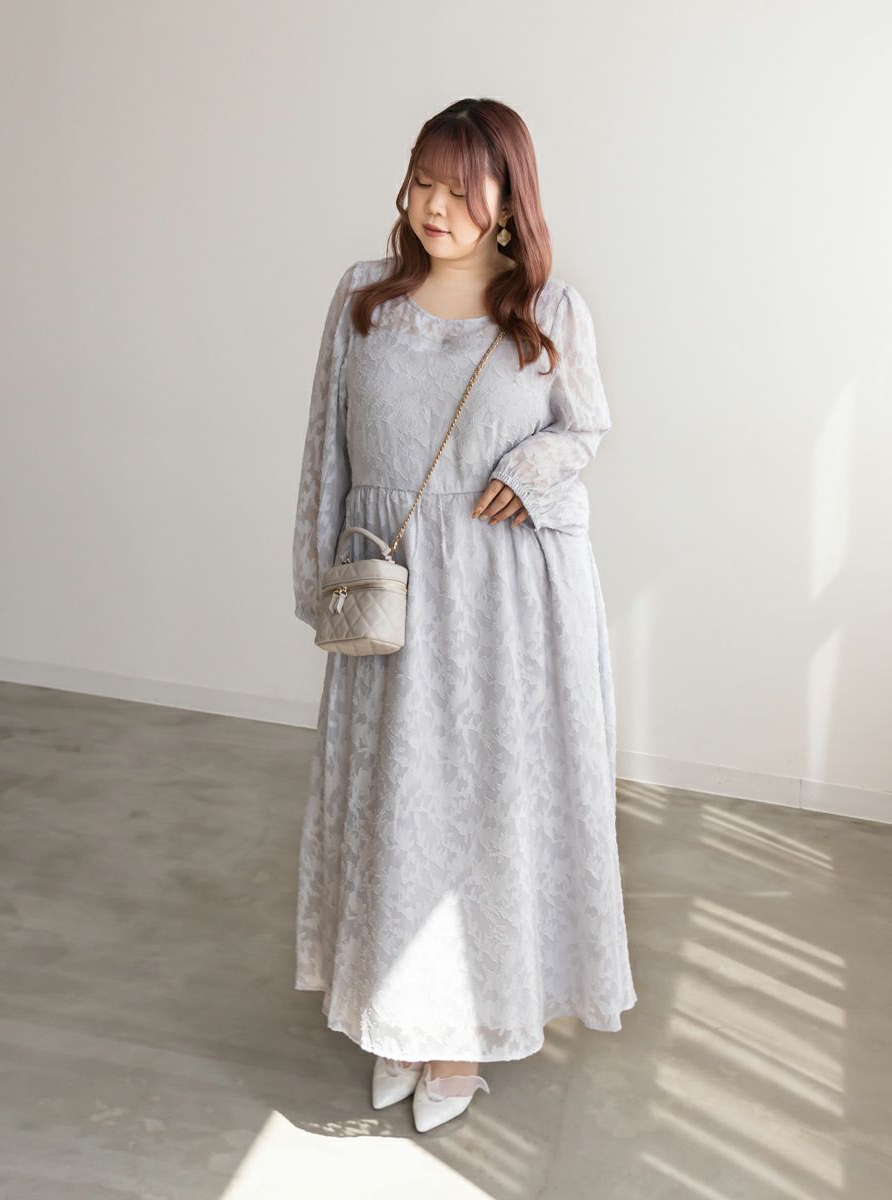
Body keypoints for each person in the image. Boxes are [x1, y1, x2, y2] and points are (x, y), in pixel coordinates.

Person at [291, 97, 637, 1132]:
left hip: (507, 603)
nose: (431, 206)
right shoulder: (364, 299)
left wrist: (529, 470)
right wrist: (321, 580)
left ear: (507, 205)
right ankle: (399, 1016)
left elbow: (586, 427)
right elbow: (324, 449)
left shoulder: (550, 310)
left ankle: (462, 1036)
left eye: (457, 189)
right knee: (396, 805)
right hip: (395, 591)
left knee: (486, 813)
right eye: (420, 182)